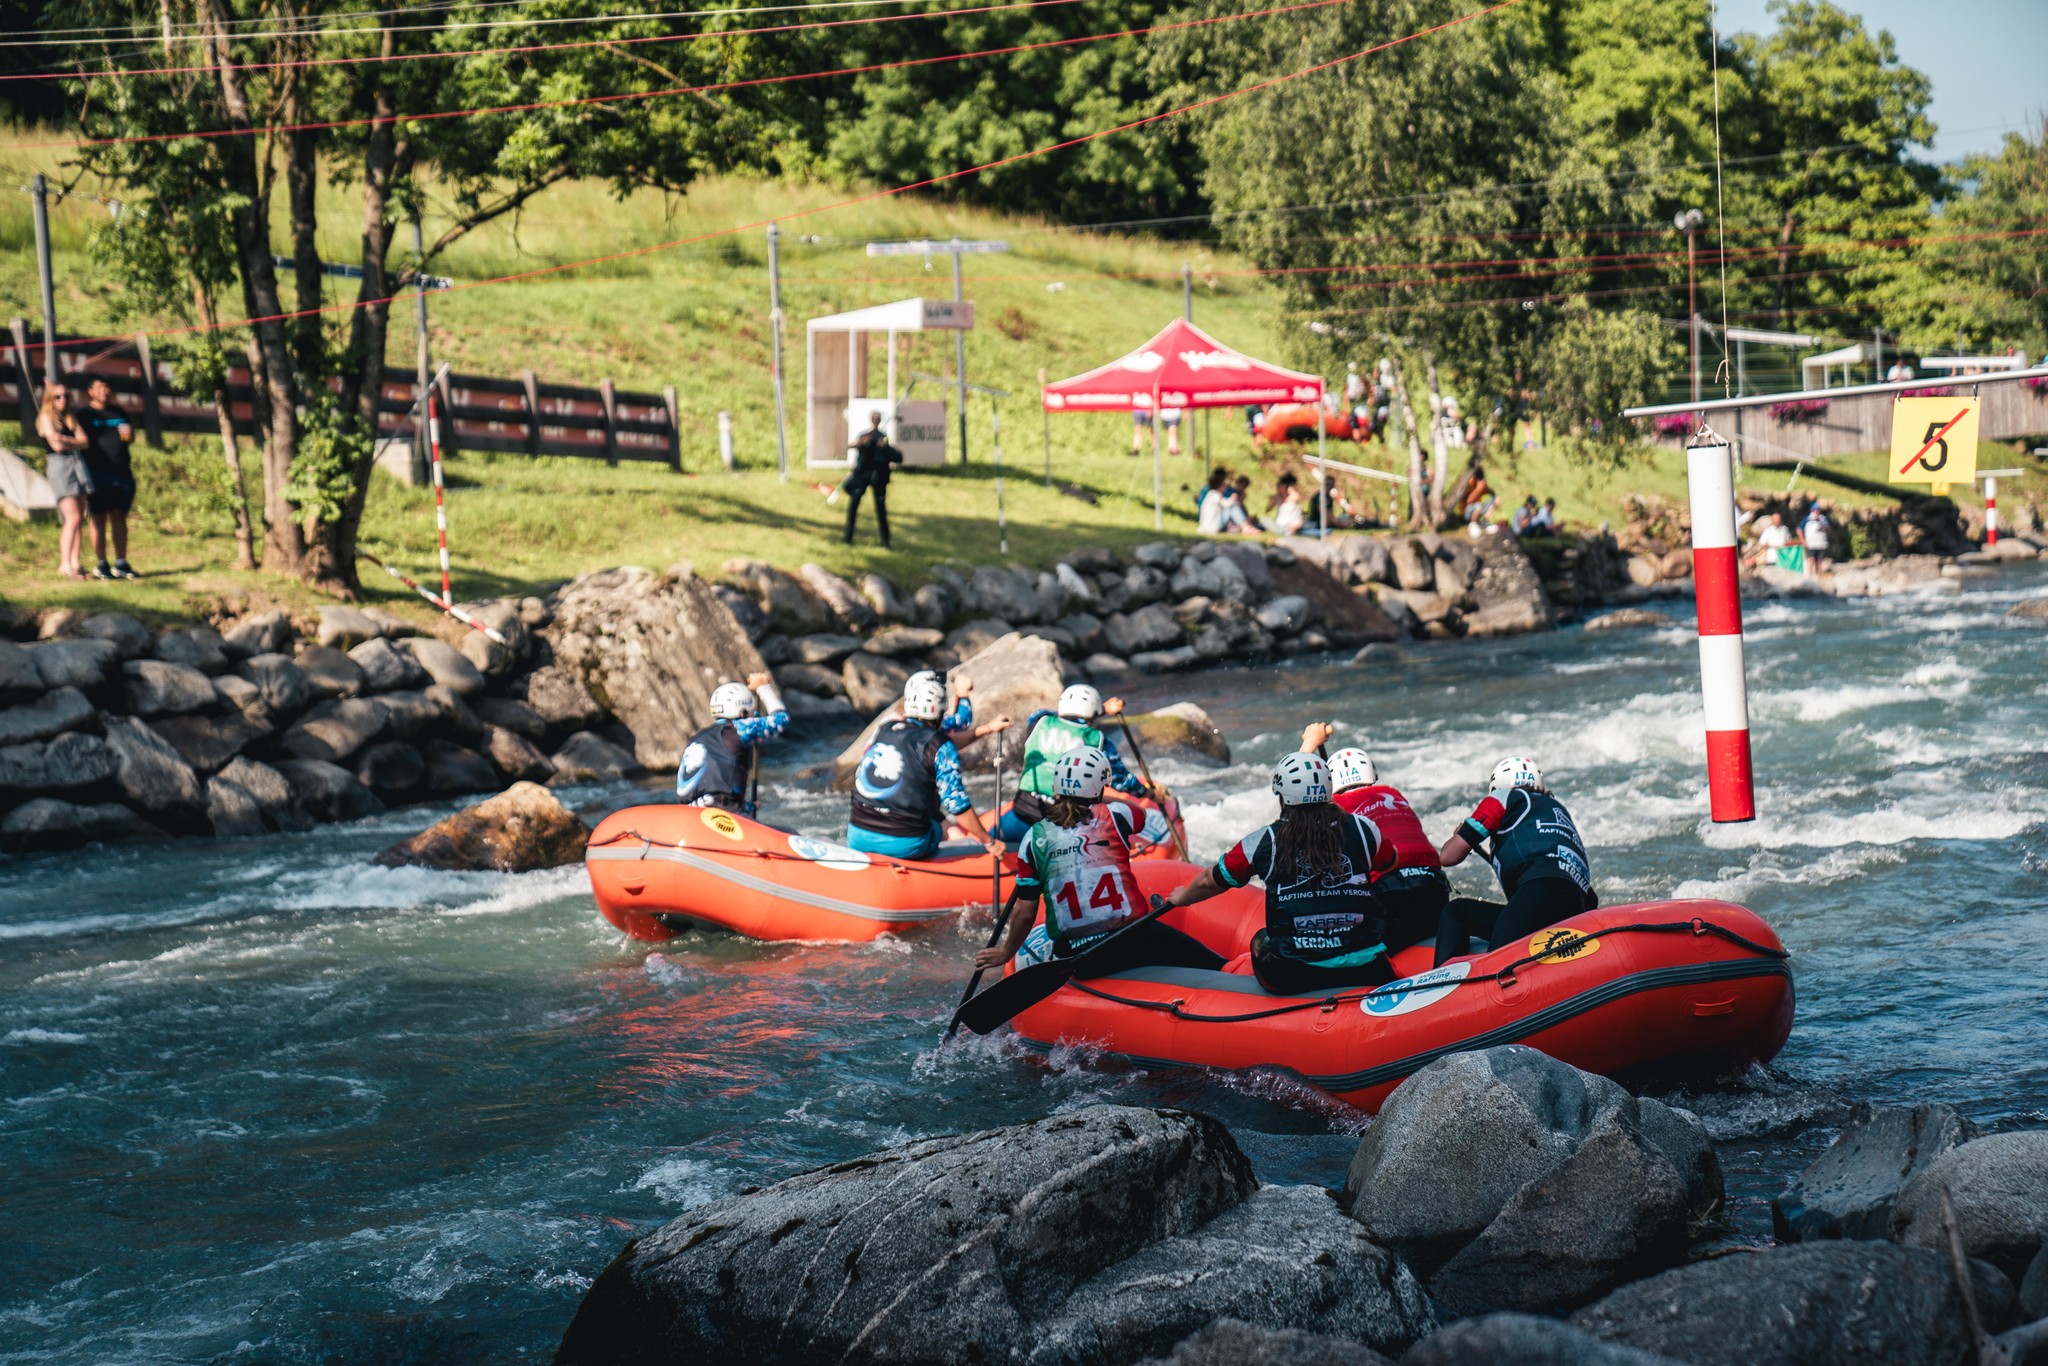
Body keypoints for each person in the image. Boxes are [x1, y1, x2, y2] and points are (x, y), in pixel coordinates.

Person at [1164, 752, 1398, 995]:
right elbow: (1389, 862)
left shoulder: (1265, 841)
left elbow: (1211, 880)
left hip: (1292, 972)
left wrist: (1182, 898)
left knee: (1260, 938)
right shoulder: (1364, 828)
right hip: (1367, 968)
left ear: (1282, 796)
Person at [976, 748, 1223, 977]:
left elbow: (1024, 912)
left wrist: (1006, 952)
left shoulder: (1033, 837)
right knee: (1216, 964)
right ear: (1099, 788)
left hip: (1077, 959)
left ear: (1056, 787)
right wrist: (1103, 796)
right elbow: (1141, 814)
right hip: (1131, 943)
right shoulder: (1117, 815)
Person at [1433, 756, 1596, 966]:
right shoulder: (1557, 811)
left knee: (1456, 912)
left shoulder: (1504, 797)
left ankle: (1442, 985)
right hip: (1575, 905)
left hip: (1537, 896)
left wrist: (1464, 832)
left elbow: (1448, 857)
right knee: (1466, 912)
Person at [1301, 723, 1447, 953]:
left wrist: (1310, 743)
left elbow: (1295, 791)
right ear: (1372, 775)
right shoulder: (1393, 793)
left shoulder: (1335, 807)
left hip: (1390, 894)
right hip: (1434, 885)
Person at [847, 672, 1002, 861]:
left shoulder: (886, 727)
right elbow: (956, 804)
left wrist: (986, 729)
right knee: (941, 822)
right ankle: (972, 860)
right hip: (904, 842)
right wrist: (989, 841)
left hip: (856, 834)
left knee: (924, 807)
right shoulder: (939, 743)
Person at [1002, 684, 1148, 841]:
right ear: (1093, 714)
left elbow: (1050, 713)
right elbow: (1121, 781)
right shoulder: (1096, 739)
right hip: (1063, 819)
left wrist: (1102, 709)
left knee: (992, 836)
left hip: (1023, 809)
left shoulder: (1039, 720)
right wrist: (1147, 793)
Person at [675, 672, 788, 816]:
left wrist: (748, 806)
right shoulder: (737, 730)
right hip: (720, 811)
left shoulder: (697, 738)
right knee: (788, 831)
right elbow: (781, 719)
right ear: (743, 713)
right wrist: (763, 687)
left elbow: (710, 784)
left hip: (688, 813)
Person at [78, 378, 138, 580]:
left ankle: (121, 562)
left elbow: (130, 437)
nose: (105, 390)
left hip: (121, 471)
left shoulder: (119, 412)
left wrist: (128, 436)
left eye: (107, 386)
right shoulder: (84, 414)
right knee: (98, 517)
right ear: (90, 391)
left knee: (119, 516)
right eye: (100, 387)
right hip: (97, 472)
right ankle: (101, 563)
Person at [35, 386, 92, 581]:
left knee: (80, 518)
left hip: (77, 465)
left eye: (66, 396)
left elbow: (85, 442)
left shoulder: (70, 418)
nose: (62, 400)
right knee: (72, 517)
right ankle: (65, 564)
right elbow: (56, 446)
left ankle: (76, 564)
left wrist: (66, 439)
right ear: (50, 398)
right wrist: (72, 440)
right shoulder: (45, 418)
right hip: (60, 467)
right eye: (57, 396)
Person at [842, 410, 902, 549]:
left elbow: (895, 455)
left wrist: (884, 447)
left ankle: (886, 542)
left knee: (881, 509)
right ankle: (847, 537)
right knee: (853, 506)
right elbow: (852, 445)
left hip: (879, 477)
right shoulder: (865, 436)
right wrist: (862, 443)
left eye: (878, 418)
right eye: (874, 418)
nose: (876, 420)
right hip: (863, 476)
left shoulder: (883, 438)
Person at [1270, 472, 1306, 536]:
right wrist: (1273, 500)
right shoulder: (1277, 497)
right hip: (1280, 523)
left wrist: (1289, 488)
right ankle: (1282, 530)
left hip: (1293, 523)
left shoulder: (1293, 496)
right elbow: (1268, 509)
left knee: (1295, 525)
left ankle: (1286, 531)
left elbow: (1297, 498)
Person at [1197, 467, 1231, 534]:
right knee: (1233, 507)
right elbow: (1227, 503)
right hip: (1212, 523)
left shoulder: (1210, 492)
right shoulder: (1215, 494)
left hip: (1205, 520)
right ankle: (1245, 525)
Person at [1801, 504, 1832, 575]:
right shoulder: (1807, 519)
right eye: (1815, 510)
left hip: (1821, 543)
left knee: (1819, 560)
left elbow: (1829, 530)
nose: (1816, 511)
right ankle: (1810, 574)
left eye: (1818, 510)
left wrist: (1824, 525)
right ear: (1812, 510)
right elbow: (1799, 529)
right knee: (1811, 559)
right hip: (1811, 543)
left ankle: (1819, 575)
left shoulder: (1823, 519)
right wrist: (1803, 540)